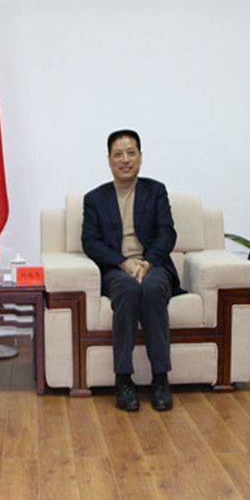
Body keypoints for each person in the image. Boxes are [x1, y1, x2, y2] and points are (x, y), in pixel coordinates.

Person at [82, 129, 178, 412]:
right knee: (127, 290)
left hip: (153, 265)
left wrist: (147, 262)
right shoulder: (95, 199)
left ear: (140, 157)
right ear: (109, 160)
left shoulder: (156, 191)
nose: (125, 159)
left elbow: (167, 232)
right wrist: (123, 263)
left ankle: (160, 378)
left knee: (151, 288)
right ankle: (123, 379)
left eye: (131, 153)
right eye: (118, 154)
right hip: (117, 268)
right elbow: (90, 242)